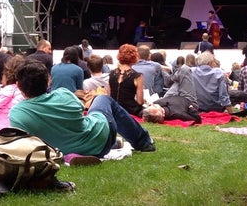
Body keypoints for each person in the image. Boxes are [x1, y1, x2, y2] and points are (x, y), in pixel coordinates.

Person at [9, 59, 155, 161]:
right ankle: (144, 142)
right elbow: (80, 109)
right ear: (48, 80)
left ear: (19, 86)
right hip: (100, 140)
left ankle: (113, 144)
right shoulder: (64, 94)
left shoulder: (17, 114)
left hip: (62, 150)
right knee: (102, 99)